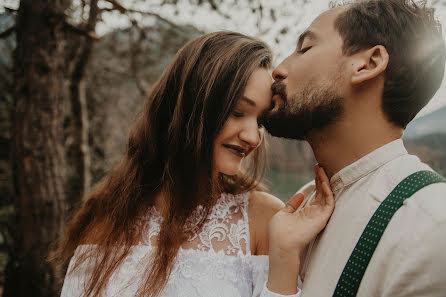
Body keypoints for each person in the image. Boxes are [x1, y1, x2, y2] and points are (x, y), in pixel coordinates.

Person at [51, 31, 334, 297]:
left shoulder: (262, 220)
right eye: (237, 112)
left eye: (259, 123)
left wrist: (284, 254)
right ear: (193, 105)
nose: (252, 137)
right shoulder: (106, 216)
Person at [261, 0, 446, 296]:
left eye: (305, 48)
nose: (279, 69)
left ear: (368, 64)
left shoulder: (431, 227)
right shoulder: (304, 207)